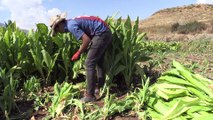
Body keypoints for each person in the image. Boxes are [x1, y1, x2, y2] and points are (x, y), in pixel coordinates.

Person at [49, 12, 112, 102]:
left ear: (59, 25)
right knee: (98, 61)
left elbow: (86, 40)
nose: (60, 33)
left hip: (101, 33)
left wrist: (78, 53)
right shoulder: (72, 22)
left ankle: (90, 95)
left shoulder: (71, 26)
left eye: (58, 30)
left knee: (89, 63)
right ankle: (99, 88)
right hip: (105, 32)